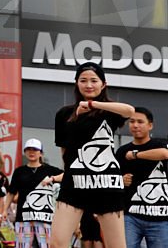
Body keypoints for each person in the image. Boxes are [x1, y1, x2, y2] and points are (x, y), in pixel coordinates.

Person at [49, 62, 134, 248]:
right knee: (57, 242)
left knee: (116, 245)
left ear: (103, 84)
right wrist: (78, 115)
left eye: (94, 81)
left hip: (107, 183)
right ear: (76, 83)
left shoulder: (109, 110)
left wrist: (92, 104)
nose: (89, 85)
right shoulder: (64, 114)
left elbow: (130, 111)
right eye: (83, 80)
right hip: (75, 182)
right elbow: (65, 150)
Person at [115, 107, 168, 248]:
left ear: (150, 125)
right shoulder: (122, 151)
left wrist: (135, 155)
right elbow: (112, 178)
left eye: (140, 121)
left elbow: (164, 154)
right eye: (132, 121)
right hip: (130, 215)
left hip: (161, 217)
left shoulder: (160, 144)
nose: (135, 125)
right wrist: (121, 180)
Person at [8, 139, 61, 248]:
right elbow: (11, 192)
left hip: (45, 216)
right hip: (24, 217)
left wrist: (53, 178)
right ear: (24, 152)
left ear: (41, 153)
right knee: (22, 246)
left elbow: (68, 175)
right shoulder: (19, 171)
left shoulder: (49, 170)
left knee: (47, 246)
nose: (31, 152)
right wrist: (4, 210)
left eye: (35, 150)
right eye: (28, 150)